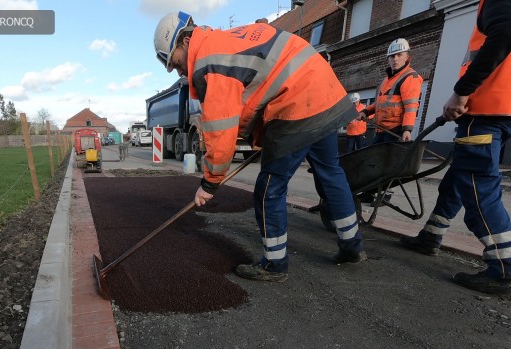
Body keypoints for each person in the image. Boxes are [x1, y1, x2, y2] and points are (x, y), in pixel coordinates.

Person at [153, 12, 366, 282]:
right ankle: (352, 246)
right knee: (332, 174)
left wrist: (210, 182)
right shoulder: (224, 42)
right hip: (325, 93)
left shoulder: (209, 60)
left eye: (175, 62)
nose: (179, 71)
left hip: (296, 102)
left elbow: (221, 128)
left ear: (185, 41)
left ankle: (274, 265)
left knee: (269, 189)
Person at [400, 0, 511, 295]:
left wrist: (462, 91)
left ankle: (506, 268)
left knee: (478, 187)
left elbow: (504, 33)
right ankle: (431, 235)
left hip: (487, 112)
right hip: (504, 110)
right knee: (457, 178)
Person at [358, 38, 423, 143]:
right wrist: (365, 111)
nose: (395, 59)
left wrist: (407, 129)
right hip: (381, 130)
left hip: (394, 132)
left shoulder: (410, 77)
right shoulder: (387, 79)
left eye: (399, 55)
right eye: (392, 56)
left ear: (406, 57)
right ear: (388, 59)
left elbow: (411, 107)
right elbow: (380, 103)